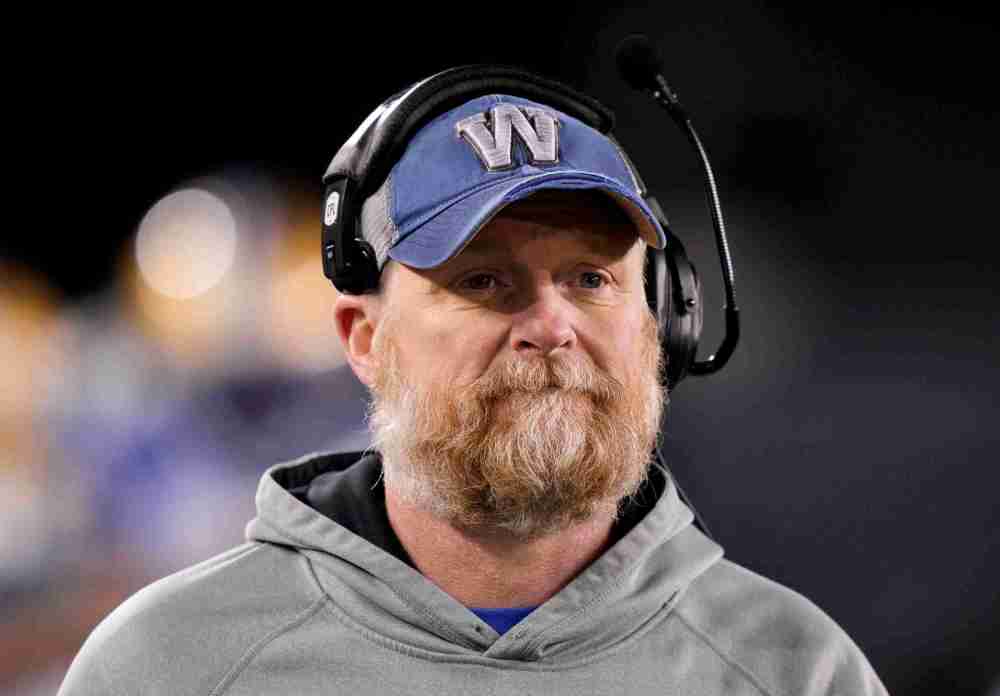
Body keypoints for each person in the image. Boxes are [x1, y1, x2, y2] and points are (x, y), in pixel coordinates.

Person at [59, 70, 889, 695]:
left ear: (665, 322)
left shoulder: (797, 672)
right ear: (365, 338)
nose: (551, 324)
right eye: (483, 281)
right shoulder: (166, 669)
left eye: (592, 279)